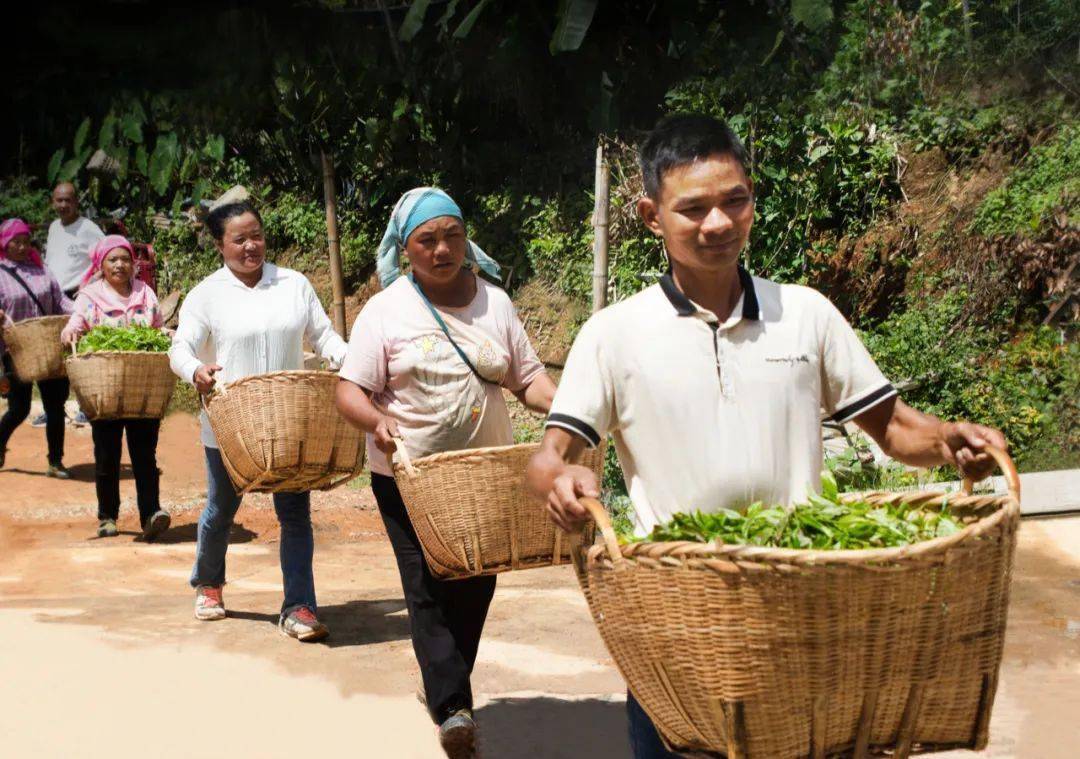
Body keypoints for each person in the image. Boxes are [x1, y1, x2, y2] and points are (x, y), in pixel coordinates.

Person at [525, 114, 1008, 759]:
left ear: (753, 199)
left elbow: (893, 428)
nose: (718, 223)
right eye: (693, 208)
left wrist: (949, 439)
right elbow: (551, 455)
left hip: (804, 604)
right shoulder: (615, 334)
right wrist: (562, 481)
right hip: (682, 615)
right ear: (650, 215)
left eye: (735, 200)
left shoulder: (804, 314)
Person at [335, 188, 556, 759]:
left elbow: (526, 378)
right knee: (427, 584)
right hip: (408, 477)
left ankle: (446, 687)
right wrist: (378, 422)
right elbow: (348, 390)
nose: (442, 249)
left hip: (483, 478)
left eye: (452, 235)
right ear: (404, 248)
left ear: (466, 237)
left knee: (477, 581)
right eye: (426, 240)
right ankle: (454, 706)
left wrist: (570, 409)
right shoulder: (387, 310)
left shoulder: (495, 304)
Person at [169, 200, 347, 642]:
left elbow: (323, 337)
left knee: (295, 514)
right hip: (231, 425)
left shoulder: (294, 284)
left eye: (257, 236)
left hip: (288, 421)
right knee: (221, 509)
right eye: (239, 239)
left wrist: (352, 363)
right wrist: (196, 370)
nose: (252, 246)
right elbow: (181, 347)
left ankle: (299, 607)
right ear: (220, 245)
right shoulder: (206, 294)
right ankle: (209, 583)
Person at [61, 234, 171, 540]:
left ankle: (151, 513)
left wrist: (168, 336)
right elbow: (76, 321)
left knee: (144, 456)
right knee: (107, 456)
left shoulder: (144, 292)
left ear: (133, 264)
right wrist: (70, 332)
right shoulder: (90, 295)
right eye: (113, 259)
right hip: (105, 388)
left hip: (141, 386)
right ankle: (107, 516)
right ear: (101, 264)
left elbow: (157, 327)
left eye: (125, 259)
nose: (120, 265)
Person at [0, 218, 74, 477]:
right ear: (4, 244)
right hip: (17, 351)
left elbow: (60, 300)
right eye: (15, 242)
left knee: (55, 406)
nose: (21, 247)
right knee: (19, 408)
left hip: (48, 346)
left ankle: (55, 461)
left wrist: (81, 314)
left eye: (25, 241)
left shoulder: (42, 269)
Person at [39, 181, 103, 428]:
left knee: (80, 354)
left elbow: (106, 255)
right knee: (57, 358)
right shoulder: (54, 227)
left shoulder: (88, 228)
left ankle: (87, 407)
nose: (63, 205)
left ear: (77, 202)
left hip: (76, 299)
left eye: (68, 200)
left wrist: (88, 287)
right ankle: (54, 409)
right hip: (53, 299)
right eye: (59, 200)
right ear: (52, 202)